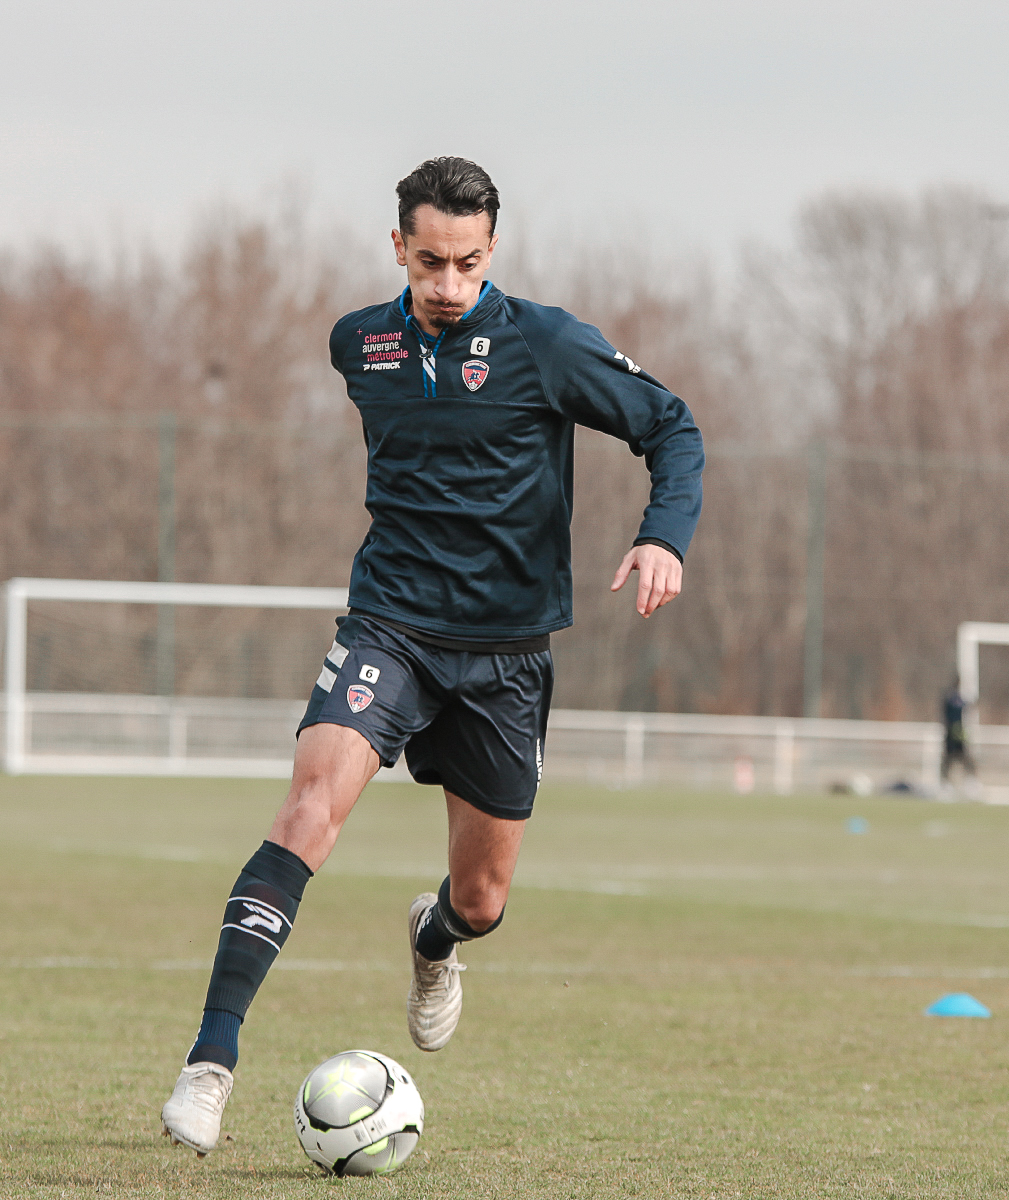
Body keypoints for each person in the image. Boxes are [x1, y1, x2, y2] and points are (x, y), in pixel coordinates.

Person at [159, 158, 704, 1156]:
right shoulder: (356, 343)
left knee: (483, 901)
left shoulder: (545, 344)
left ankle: (433, 941)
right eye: (430, 262)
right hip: (391, 629)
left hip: (505, 657)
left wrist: (663, 534)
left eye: (469, 262)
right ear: (397, 247)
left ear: (491, 252)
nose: (449, 283)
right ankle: (208, 1066)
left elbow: (671, 425)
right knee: (305, 812)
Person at [940, 676, 979, 797]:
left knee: (966, 760)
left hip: (960, 736)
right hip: (951, 736)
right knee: (948, 761)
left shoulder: (961, 699)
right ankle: (946, 785)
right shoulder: (951, 698)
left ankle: (971, 784)